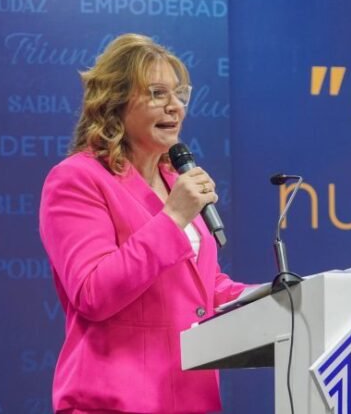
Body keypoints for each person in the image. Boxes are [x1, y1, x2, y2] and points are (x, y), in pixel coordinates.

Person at [39, 33, 248, 413]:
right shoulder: (77, 179)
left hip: (193, 400)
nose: (175, 106)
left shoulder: (173, 180)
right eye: (157, 93)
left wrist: (277, 297)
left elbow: (199, 288)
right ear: (115, 102)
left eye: (180, 94)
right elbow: (93, 292)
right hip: (114, 403)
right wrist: (173, 217)